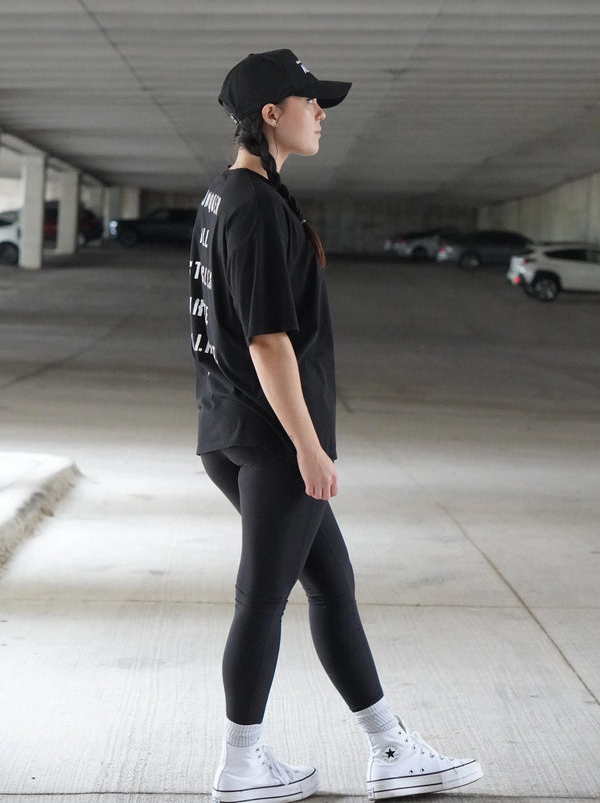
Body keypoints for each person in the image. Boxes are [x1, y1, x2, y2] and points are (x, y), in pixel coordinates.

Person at [189, 49, 483, 803]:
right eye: (309, 100)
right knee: (263, 596)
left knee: (332, 586)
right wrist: (309, 446)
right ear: (269, 114)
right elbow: (266, 339)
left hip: (235, 431)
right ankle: (242, 764)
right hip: (273, 440)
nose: (320, 112)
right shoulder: (253, 206)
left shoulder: (231, 197)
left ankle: (390, 747)